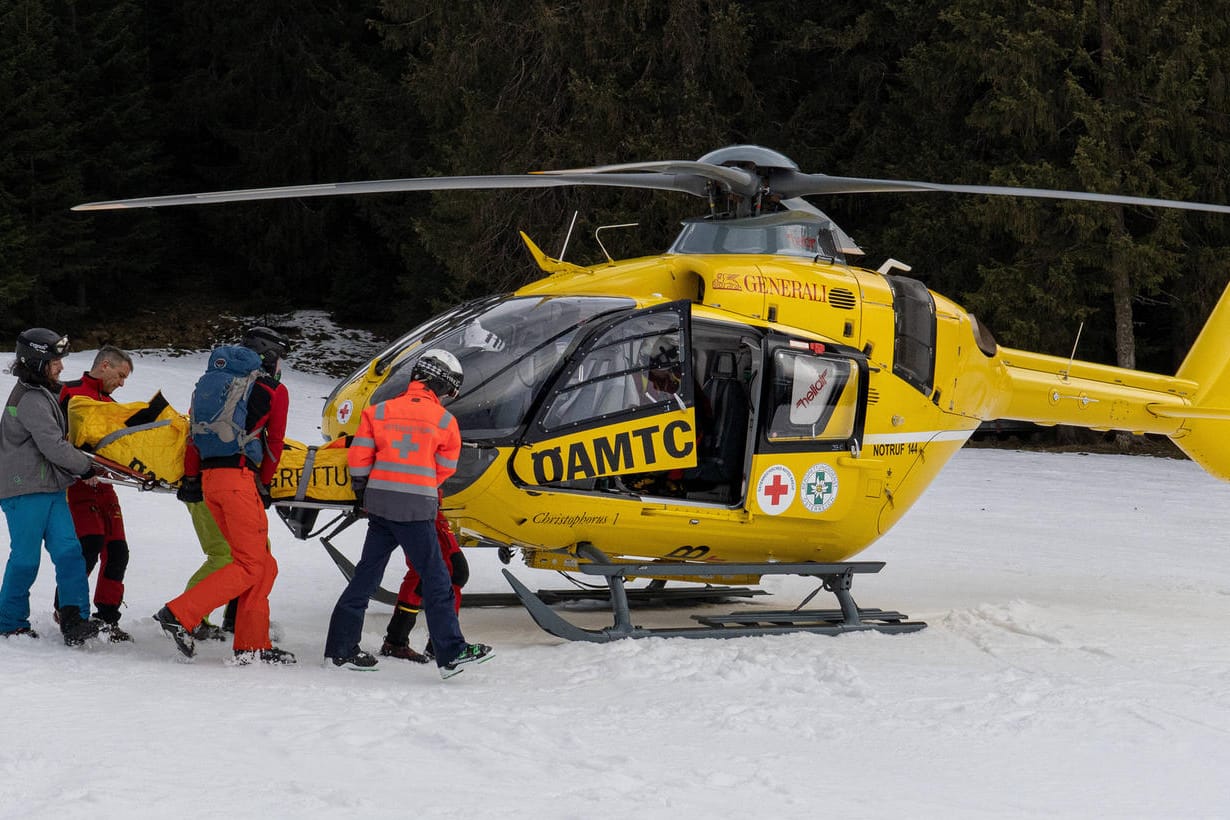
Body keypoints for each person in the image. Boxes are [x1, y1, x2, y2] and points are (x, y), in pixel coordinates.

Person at [324, 349, 493, 679]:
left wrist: (365, 490)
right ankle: (451, 654)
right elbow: (445, 468)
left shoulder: (379, 411)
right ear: (441, 386)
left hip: (380, 505)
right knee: (437, 579)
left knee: (366, 577)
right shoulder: (445, 421)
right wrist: (421, 481)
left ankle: (340, 650)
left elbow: (359, 458)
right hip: (416, 509)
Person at [153, 327, 294, 665]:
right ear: (271, 358)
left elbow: (193, 437)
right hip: (239, 480)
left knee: (263, 565)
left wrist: (191, 477)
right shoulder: (274, 390)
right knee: (249, 564)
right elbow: (273, 446)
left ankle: (251, 645)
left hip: (210, 481)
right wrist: (265, 484)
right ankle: (178, 613)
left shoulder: (210, 385)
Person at [0, 329, 102, 645]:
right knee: (26, 558)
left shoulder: (40, 391)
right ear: (38, 361)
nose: (60, 366)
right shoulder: (29, 398)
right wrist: (85, 467)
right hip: (24, 489)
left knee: (70, 552)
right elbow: (52, 445)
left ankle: (75, 620)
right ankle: (9, 622)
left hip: (50, 488)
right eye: (55, 360)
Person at [54, 345, 135, 642]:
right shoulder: (68, 391)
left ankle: (107, 617)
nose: (122, 383)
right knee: (89, 544)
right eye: (121, 375)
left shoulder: (110, 403)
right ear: (104, 365)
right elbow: (52, 437)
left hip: (105, 485)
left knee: (117, 551)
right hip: (74, 484)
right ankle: (67, 610)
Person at [379, 496, 468, 663]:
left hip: (418, 499)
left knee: (422, 571)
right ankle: (444, 644)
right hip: (420, 499)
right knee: (453, 570)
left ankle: (397, 640)